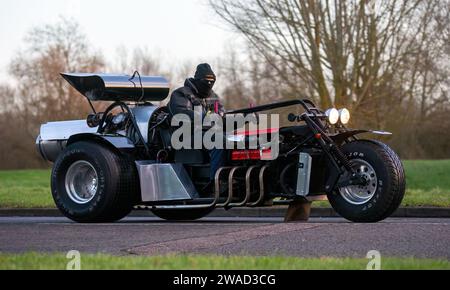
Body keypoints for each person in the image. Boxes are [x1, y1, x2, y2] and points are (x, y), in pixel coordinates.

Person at [168, 63, 225, 191]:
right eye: (206, 81)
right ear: (198, 79)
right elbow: (182, 115)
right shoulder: (181, 94)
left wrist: (243, 118)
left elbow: (222, 115)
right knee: (218, 139)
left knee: (230, 139)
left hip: (208, 133)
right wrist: (208, 118)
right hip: (184, 136)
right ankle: (215, 181)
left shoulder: (213, 97)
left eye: (212, 81)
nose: (209, 84)